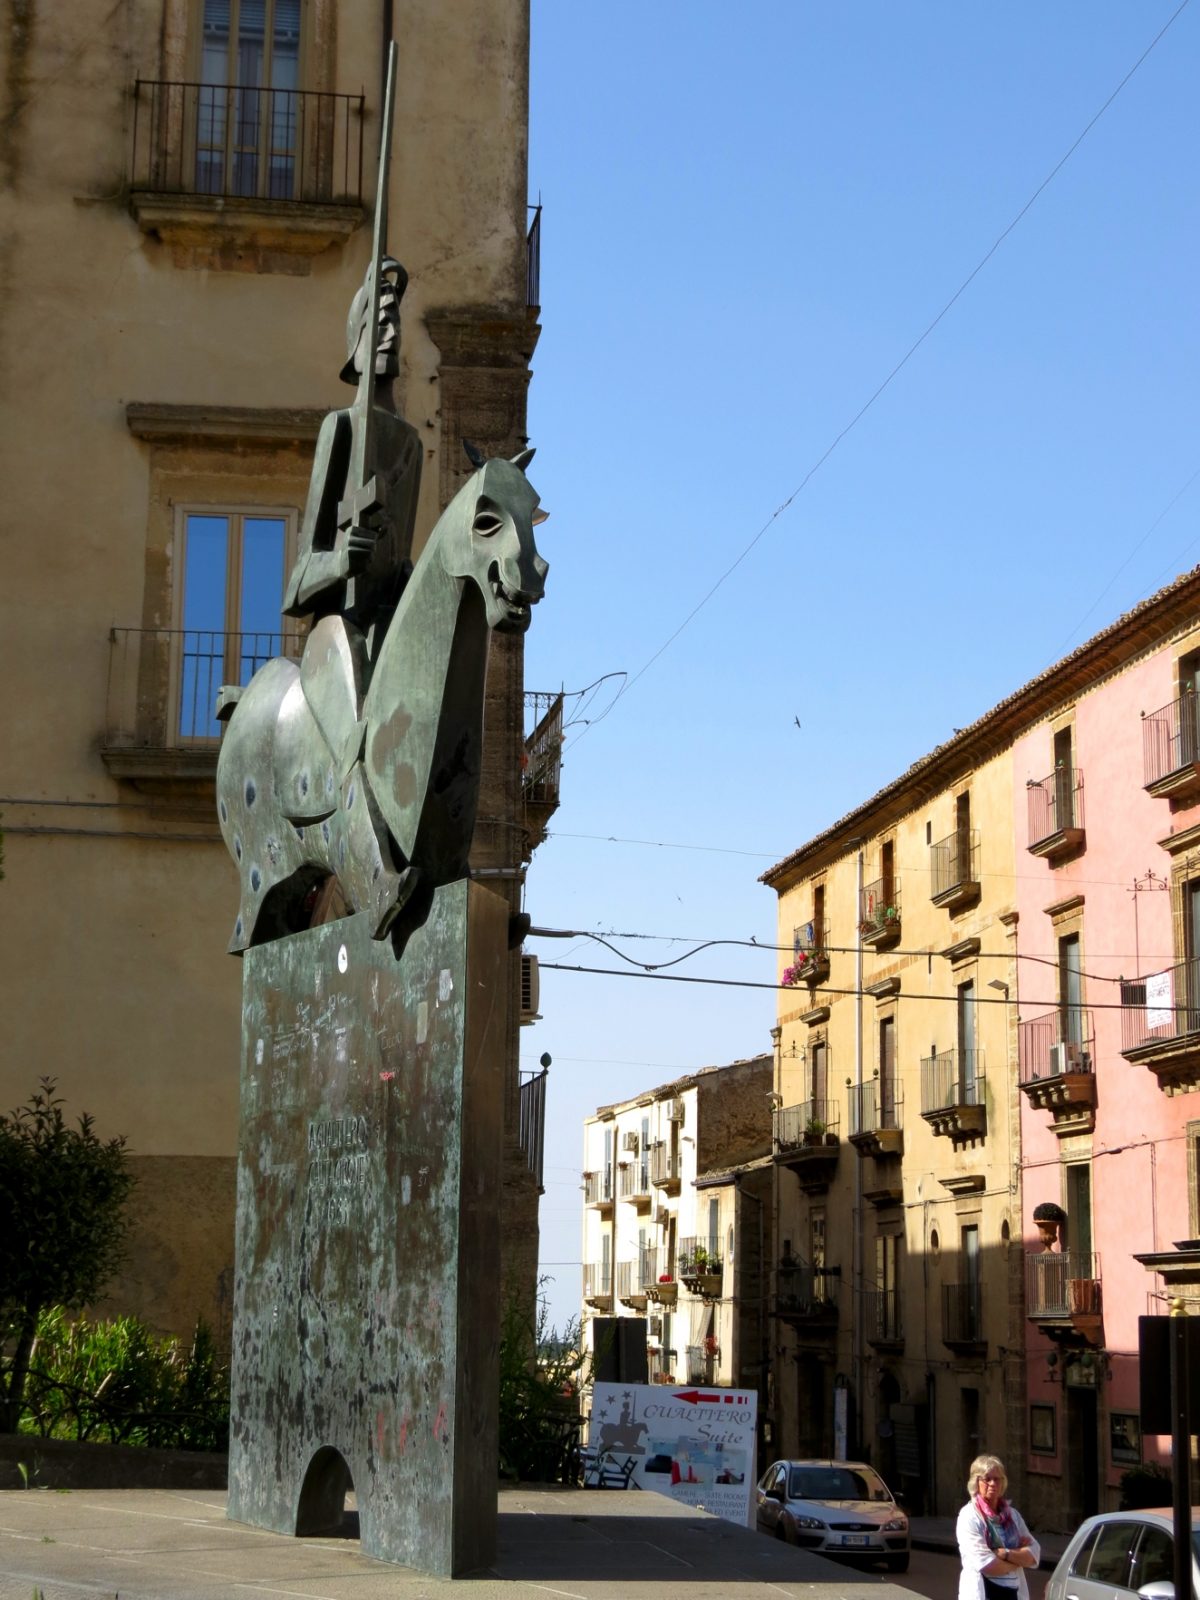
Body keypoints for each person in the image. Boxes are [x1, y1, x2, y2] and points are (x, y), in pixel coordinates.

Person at [957, 1455, 1041, 1600]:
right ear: (976, 1482)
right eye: (987, 1479)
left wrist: (1005, 1554)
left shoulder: (1013, 1516)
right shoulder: (969, 1516)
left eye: (997, 1479)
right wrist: (1017, 1560)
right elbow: (987, 1564)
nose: (992, 1483)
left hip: (1013, 1594)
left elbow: (1034, 1555)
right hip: (985, 1592)